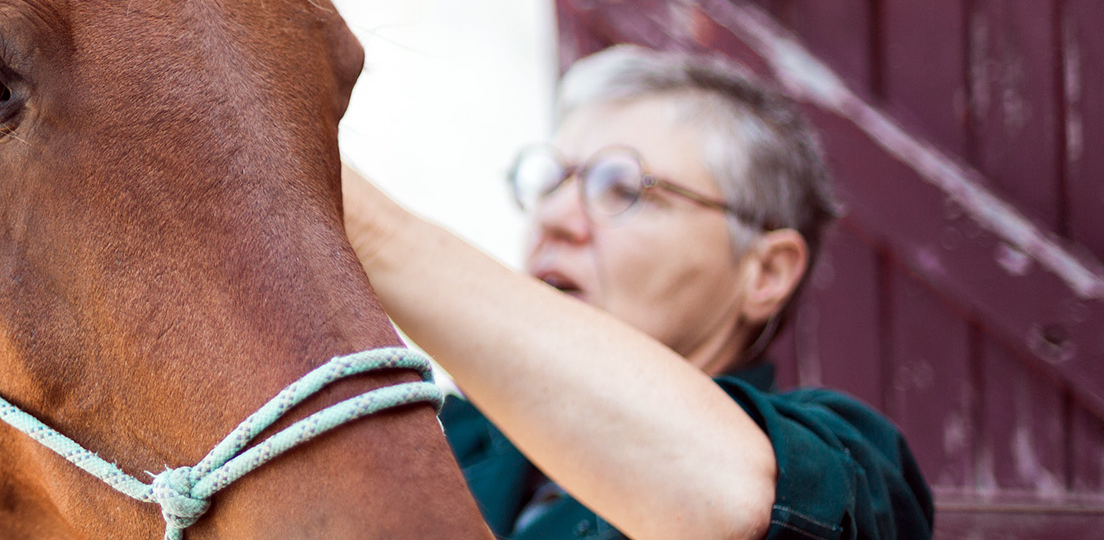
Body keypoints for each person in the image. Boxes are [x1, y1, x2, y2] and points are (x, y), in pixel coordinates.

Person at [342, 45, 933, 540]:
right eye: (552, 181)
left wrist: (367, 230)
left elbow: (735, 501)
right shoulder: (446, 434)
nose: (554, 218)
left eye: (622, 189)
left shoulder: (856, 468)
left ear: (767, 273)